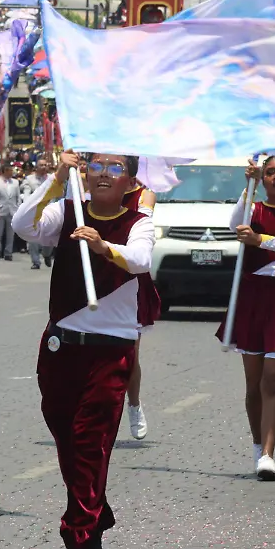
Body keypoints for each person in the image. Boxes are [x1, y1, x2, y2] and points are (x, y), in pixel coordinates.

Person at [12, 150, 155, 549]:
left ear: (130, 181)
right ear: (85, 173)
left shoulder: (138, 223)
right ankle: (95, 513)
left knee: (91, 442)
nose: (105, 174)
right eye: (97, 166)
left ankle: (78, 537)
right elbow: (25, 226)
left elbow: (141, 261)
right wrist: (56, 178)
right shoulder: (67, 208)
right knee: (68, 440)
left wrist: (102, 246)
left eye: (116, 168)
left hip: (110, 351)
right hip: (60, 346)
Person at [216, 156, 275, 480]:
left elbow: (258, 240)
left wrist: (262, 240)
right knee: (253, 383)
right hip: (254, 298)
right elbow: (235, 224)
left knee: (272, 378)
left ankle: (268, 453)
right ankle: (258, 447)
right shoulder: (254, 208)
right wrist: (247, 186)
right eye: (270, 172)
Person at [121, 178, 159, 441]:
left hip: (130, 278)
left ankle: (133, 404)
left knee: (129, 353)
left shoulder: (145, 195)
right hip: (97, 273)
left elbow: (138, 226)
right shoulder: (90, 193)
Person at [20, 160, 53, 269]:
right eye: (41, 165)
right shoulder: (29, 179)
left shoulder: (52, 178)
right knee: (33, 238)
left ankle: (47, 254)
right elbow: (26, 194)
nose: (44, 167)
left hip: (50, 211)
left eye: (45, 165)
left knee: (50, 236)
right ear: (36, 167)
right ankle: (35, 261)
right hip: (34, 211)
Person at [0, 162, 19, 260]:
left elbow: (18, 198)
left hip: (12, 211)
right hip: (0, 211)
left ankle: (8, 253)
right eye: (10, 170)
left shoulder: (15, 182)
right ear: (4, 171)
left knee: (10, 234)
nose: (12, 172)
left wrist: (18, 211)